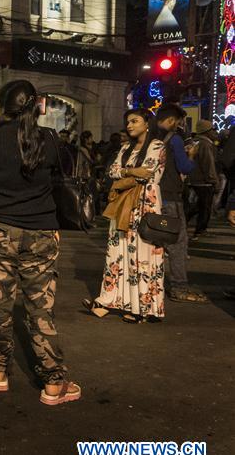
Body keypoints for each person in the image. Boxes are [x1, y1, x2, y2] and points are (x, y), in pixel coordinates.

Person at [0, 80, 80, 406]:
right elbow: (64, 174)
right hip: (42, 231)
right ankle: (53, 383)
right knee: (41, 309)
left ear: (2, 106)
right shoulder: (51, 140)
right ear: (37, 106)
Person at [85, 108, 166, 323]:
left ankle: (143, 307)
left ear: (147, 123)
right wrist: (131, 171)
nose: (129, 125)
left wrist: (125, 171)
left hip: (145, 204)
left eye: (134, 121)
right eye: (127, 121)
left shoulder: (157, 146)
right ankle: (110, 300)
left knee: (144, 255)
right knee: (117, 252)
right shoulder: (125, 148)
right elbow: (112, 171)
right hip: (123, 204)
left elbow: (147, 172)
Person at [155, 104, 206, 304]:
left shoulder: (151, 137)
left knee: (154, 241)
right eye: (178, 122)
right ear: (171, 120)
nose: (179, 126)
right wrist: (191, 155)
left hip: (152, 196)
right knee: (178, 243)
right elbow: (184, 167)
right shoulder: (173, 139)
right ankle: (179, 286)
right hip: (171, 198)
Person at [185, 120, 218, 240]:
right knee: (205, 207)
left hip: (194, 179)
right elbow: (208, 164)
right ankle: (200, 230)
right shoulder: (205, 144)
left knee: (199, 205)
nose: (215, 132)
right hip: (204, 181)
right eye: (213, 130)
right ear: (207, 132)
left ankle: (186, 223)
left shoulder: (195, 142)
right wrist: (214, 180)